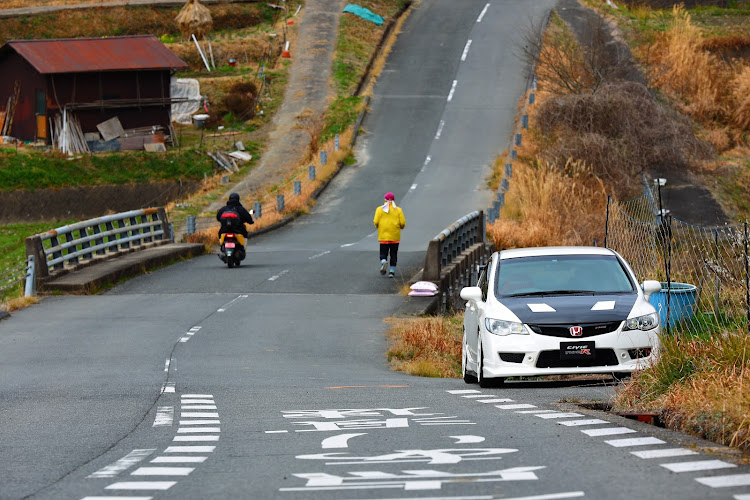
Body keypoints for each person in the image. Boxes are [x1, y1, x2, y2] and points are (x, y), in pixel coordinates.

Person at [373, 192, 406, 278]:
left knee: (383, 253)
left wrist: (378, 226)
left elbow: (376, 222)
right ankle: (391, 271)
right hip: (395, 236)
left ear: (385, 199)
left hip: (383, 236)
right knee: (393, 254)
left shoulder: (379, 209)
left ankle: (384, 262)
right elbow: (402, 223)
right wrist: (401, 227)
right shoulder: (398, 210)